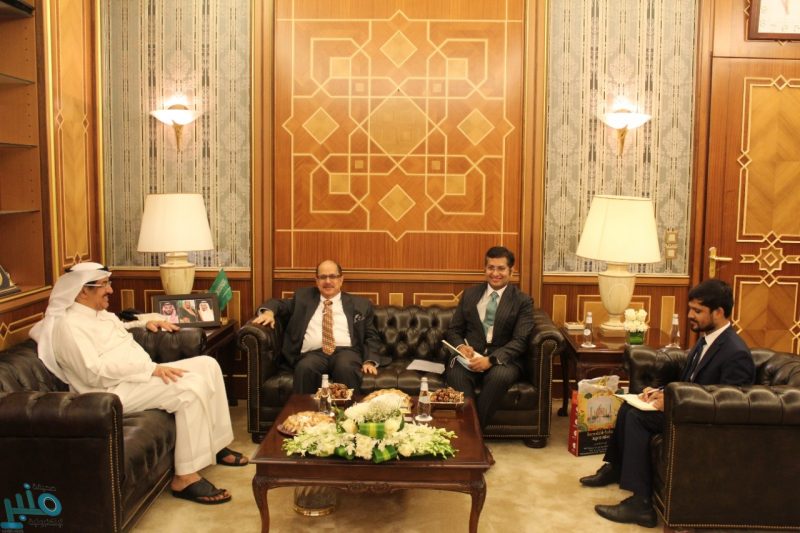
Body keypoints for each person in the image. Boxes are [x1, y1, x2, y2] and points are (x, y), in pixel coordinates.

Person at [29, 262, 248, 506]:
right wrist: (150, 370)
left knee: (208, 365)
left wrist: (147, 321)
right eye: (104, 285)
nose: (110, 290)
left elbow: (120, 326)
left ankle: (216, 445)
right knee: (188, 388)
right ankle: (185, 477)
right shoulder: (68, 327)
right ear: (82, 291)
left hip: (134, 378)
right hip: (107, 394)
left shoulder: (97, 313)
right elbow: (93, 373)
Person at [580, 279, 755, 528]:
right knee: (630, 406)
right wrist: (660, 392)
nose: (690, 315)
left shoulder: (736, 353)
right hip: (687, 410)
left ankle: (641, 505)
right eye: (690, 309)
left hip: (702, 425)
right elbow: (691, 381)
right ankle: (616, 467)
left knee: (637, 418)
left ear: (719, 312)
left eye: (697, 311)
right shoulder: (707, 339)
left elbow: (728, 405)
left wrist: (671, 403)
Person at [253, 259, 384, 394]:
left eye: (332, 276)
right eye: (323, 277)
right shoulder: (303, 298)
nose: (327, 281)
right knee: (305, 368)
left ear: (341, 279)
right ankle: (306, 408)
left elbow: (371, 336)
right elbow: (278, 304)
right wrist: (269, 312)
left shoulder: (360, 304)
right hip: (312, 354)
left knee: (345, 367)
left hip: (346, 352)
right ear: (316, 280)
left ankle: (348, 408)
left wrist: (370, 361)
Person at [444, 246, 534, 429]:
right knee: (455, 374)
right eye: (491, 267)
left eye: (501, 268)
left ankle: (471, 433)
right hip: (470, 357)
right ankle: (471, 434)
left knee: (499, 377)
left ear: (511, 271)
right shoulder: (470, 294)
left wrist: (491, 360)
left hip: (503, 360)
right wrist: (461, 347)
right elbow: (454, 330)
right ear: (485, 269)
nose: (495, 273)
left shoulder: (522, 301)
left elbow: (520, 340)